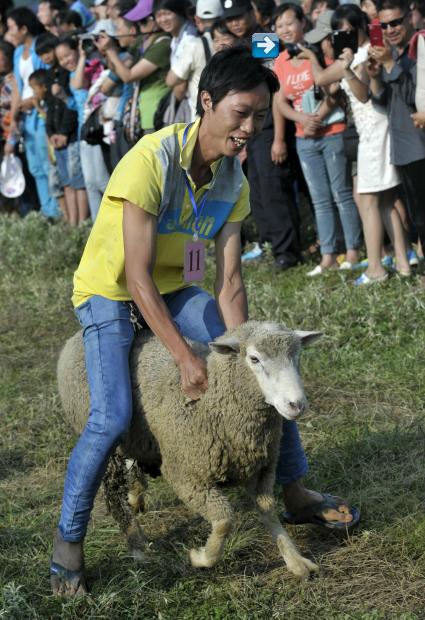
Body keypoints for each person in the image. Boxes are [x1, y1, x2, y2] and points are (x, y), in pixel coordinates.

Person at [50, 46, 359, 598]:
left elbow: (229, 281)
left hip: (174, 287)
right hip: (111, 290)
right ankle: (67, 542)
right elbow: (136, 279)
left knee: (258, 374)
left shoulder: (231, 182)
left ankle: (293, 491)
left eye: (261, 116)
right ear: (207, 102)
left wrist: (245, 354)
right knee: (112, 413)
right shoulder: (150, 160)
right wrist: (187, 358)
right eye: (241, 113)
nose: (251, 127)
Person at [298, 3, 411, 283]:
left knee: (370, 200)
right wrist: (314, 57)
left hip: (376, 129)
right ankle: (403, 262)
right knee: (382, 201)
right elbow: (323, 78)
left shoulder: (365, 54)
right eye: (339, 31)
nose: (344, 35)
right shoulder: (351, 55)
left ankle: (376, 268)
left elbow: (362, 95)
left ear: (362, 26)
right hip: (368, 131)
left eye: (350, 29)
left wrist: (346, 68)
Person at [274, 4, 363, 275]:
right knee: (320, 198)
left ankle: (353, 251)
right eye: (278, 26)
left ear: (303, 23)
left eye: (289, 23)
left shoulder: (320, 49)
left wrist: (318, 117)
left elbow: (334, 90)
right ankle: (327, 256)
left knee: (341, 195)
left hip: (332, 132)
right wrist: (301, 121)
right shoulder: (280, 60)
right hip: (304, 138)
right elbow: (280, 101)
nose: (284, 30)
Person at [368, 0, 425, 258]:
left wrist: (391, 65)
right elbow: (383, 102)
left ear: (410, 18)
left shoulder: (418, 52)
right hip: (404, 149)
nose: (390, 29)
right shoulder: (394, 55)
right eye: (384, 25)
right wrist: (375, 76)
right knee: (419, 218)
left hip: (420, 145)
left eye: (395, 22)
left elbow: (416, 98)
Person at [7, 6, 60, 218]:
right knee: (35, 167)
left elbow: (46, 81)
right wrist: (13, 117)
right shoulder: (19, 53)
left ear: (23, 28)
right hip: (26, 116)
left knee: (48, 164)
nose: (10, 32)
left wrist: (33, 101)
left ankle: (57, 210)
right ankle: (48, 212)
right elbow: (17, 88)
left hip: (42, 111)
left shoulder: (40, 46)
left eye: (12, 27)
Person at [165, 0, 221, 120]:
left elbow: (171, 80)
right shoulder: (234, 42)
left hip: (201, 119)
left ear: (197, 20)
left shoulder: (193, 45)